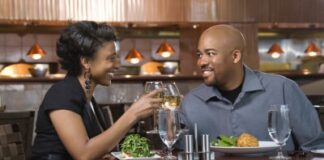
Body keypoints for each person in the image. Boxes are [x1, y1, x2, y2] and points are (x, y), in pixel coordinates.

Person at [179, 24, 324, 152]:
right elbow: (174, 152)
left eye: (210, 53)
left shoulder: (283, 89)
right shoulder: (191, 103)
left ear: (235, 56)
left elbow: (315, 147)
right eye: (200, 55)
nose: (201, 62)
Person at [32, 21, 162, 160]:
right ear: (86, 62)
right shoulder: (62, 93)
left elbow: (92, 150)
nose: (117, 65)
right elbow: (84, 154)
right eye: (111, 59)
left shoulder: (86, 98)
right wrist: (133, 114)